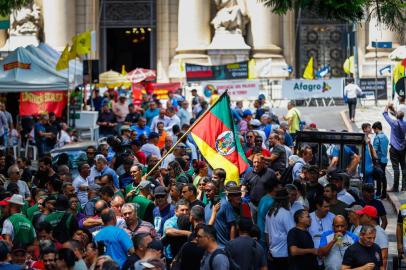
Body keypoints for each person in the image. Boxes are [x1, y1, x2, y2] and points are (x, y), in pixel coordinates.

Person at [265, 188, 295, 269]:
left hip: (272, 254)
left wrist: (269, 250)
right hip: (284, 254)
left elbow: (267, 234)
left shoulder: (269, 213)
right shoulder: (286, 214)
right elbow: (292, 233)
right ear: (286, 200)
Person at [383, 103, 406, 192]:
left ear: (396, 116)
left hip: (394, 149)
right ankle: (404, 187)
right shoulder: (405, 123)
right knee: (404, 167)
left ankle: (395, 187)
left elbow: (385, 114)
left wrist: (387, 106)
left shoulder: (394, 123)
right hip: (403, 148)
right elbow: (398, 116)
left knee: (396, 169)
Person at [372, 121, 389, 198]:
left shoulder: (377, 137)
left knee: (378, 177)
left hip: (379, 160)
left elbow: (374, 150)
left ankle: (378, 193)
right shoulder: (385, 136)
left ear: (376, 129)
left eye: (374, 130)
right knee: (383, 177)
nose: (374, 132)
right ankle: (384, 193)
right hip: (385, 160)